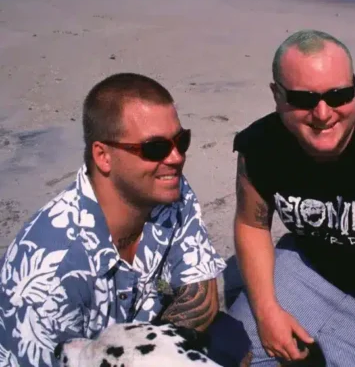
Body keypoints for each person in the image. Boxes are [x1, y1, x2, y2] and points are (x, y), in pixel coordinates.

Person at [223, 29, 355, 366]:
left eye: (339, 95)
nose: (323, 113)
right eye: (303, 99)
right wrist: (267, 311)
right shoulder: (260, 145)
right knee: (229, 353)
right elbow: (252, 224)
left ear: (354, 86)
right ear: (277, 95)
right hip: (306, 269)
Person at [0, 73, 227, 367]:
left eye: (181, 141)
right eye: (155, 148)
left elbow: (200, 295)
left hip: (146, 349)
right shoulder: (49, 275)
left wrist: (153, 352)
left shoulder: (169, 191)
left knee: (233, 339)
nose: (176, 158)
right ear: (103, 156)